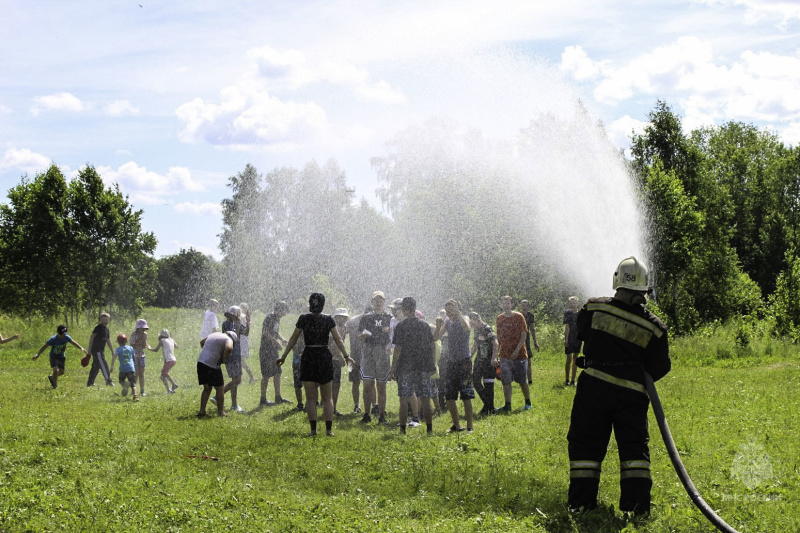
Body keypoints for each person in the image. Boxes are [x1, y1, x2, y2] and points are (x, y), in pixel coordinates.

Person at [567, 257, 670, 516]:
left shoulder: (593, 308)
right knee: (634, 451)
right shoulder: (655, 327)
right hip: (632, 396)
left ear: (617, 281)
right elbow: (660, 367)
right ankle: (637, 509)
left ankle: (581, 504)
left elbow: (580, 334)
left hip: (593, 390)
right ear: (644, 289)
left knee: (585, 447)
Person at [277, 293, 351, 437]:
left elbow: (293, 339)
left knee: (311, 398)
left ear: (310, 304)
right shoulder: (328, 319)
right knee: (327, 398)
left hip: (308, 355)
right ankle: (329, 431)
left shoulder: (303, 319)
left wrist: (284, 356)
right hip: (324, 356)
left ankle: (313, 430)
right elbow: (338, 339)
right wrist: (347, 356)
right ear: (323, 305)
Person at [391, 297, 436, 435]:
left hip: (405, 367)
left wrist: (393, 368)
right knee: (426, 399)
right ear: (415, 309)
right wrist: (432, 364)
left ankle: (403, 430)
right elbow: (432, 346)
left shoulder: (401, 326)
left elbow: (398, 349)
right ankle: (429, 429)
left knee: (404, 399)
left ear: (404, 310)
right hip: (423, 367)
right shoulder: (424, 325)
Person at [434, 299, 474, 433]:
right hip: (451, 362)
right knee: (449, 396)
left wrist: (458, 312)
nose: (449, 313)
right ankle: (457, 426)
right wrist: (438, 325)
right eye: (447, 311)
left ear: (457, 309)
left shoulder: (466, 318)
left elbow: (467, 328)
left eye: (451, 310)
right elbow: (436, 338)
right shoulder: (447, 321)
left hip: (464, 361)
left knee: (466, 395)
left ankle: (470, 426)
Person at [358, 291, 392, 424]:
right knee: (367, 383)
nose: (378, 302)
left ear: (384, 301)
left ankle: (382, 416)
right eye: (376, 299)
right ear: (372, 302)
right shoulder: (366, 317)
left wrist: (389, 340)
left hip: (382, 351)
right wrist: (363, 336)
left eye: (381, 299)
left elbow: (392, 337)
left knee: (381, 385)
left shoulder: (389, 317)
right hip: (368, 350)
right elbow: (359, 336)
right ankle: (367, 414)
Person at [494, 296, 532, 412]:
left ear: (512, 304)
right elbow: (499, 337)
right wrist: (496, 353)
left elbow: (523, 335)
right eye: (504, 303)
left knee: (522, 380)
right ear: (501, 305)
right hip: (504, 355)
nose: (506, 305)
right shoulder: (499, 318)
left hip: (519, 354)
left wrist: (516, 350)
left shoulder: (519, 317)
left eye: (508, 303)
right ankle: (507, 405)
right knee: (506, 381)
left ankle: (528, 402)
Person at [33, 325, 90, 389]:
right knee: (56, 371)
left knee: (62, 372)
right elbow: (45, 346)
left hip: (61, 356)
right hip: (53, 356)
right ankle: (55, 385)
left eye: (64, 334)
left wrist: (81, 348)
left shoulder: (66, 337)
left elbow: (73, 342)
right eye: (61, 334)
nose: (63, 335)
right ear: (58, 332)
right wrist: (38, 354)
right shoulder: (53, 339)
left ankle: (52, 377)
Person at [215, 306, 249, 413]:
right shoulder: (226, 324)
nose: (239, 317)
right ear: (232, 315)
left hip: (236, 355)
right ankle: (232, 404)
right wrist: (239, 324)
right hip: (230, 355)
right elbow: (235, 337)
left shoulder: (235, 323)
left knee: (237, 380)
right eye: (238, 315)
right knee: (236, 380)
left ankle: (220, 398)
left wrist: (248, 323)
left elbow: (246, 333)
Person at [196, 330, 237, 417]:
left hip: (201, 362)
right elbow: (229, 348)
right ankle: (221, 413)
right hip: (212, 364)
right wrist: (224, 357)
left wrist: (208, 352)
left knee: (207, 388)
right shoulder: (229, 340)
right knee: (220, 389)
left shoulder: (215, 334)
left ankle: (202, 411)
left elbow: (202, 342)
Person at [259, 301, 291, 406]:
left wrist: (282, 339)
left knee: (278, 372)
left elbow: (275, 332)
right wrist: (275, 341)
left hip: (273, 350)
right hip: (266, 350)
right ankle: (263, 400)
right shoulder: (269, 317)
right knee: (266, 375)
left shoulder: (277, 318)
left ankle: (278, 397)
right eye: (284, 312)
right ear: (279, 310)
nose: (284, 314)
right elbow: (265, 331)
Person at [468, 312, 499, 416]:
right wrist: (469, 357)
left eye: (472, 323)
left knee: (488, 385)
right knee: (475, 381)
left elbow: (495, 344)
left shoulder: (487, 328)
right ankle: (488, 405)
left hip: (489, 361)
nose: (472, 326)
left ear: (478, 319)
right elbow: (475, 345)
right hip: (479, 360)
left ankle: (489, 408)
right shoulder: (476, 330)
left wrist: (494, 358)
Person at [344, 305, 370, 413]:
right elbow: (341, 333)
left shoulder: (373, 321)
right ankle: (356, 405)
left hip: (368, 357)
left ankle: (373, 405)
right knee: (355, 382)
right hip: (353, 357)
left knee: (368, 383)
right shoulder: (353, 321)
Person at [329, 308, 350, 416]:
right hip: (330, 359)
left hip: (336, 359)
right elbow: (332, 344)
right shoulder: (333, 327)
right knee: (329, 384)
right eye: (339, 316)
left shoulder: (344, 327)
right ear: (336, 317)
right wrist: (340, 356)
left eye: (344, 317)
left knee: (336, 384)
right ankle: (328, 408)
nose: (342, 318)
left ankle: (333, 408)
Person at [86, 312, 114, 387]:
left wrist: (112, 351)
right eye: (103, 319)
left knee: (96, 366)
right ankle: (108, 381)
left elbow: (108, 341)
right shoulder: (98, 327)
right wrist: (89, 349)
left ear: (109, 320)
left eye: (107, 319)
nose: (105, 321)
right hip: (97, 350)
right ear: (101, 320)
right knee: (103, 365)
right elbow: (92, 337)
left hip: (101, 350)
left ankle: (90, 382)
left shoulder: (107, 330)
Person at [149, 328, 179, 394]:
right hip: (173, 360)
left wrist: (149, 348)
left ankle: (169, 390)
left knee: (162, 376)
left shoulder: (162, 340)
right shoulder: (171, 340)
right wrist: (171, 337)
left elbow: (156, 350)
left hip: (168, 360)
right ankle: (174, 384)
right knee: (165, 373)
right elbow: (177, 346)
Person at [110, 333, 139, 401]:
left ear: (118, 342)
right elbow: (134, 358)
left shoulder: (118, 349)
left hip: (123, 369)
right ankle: (135, 396)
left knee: (121, 380)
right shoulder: (130, 348)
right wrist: (135, 365)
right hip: (131, 368)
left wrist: (112, 366)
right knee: (133, 384)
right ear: (126, 341)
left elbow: (114, 356)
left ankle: (125, 385)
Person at [520, 299, 540, 385]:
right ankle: (520, 379)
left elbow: (532, 329)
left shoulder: (530, 315)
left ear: (529, 306)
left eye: (526, 304)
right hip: (518, 339)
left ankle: (530, 380)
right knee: (518, 360)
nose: (524, 306)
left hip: (526, 339)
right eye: (523, 304)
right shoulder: (518, 315)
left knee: (528, 360)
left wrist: (535, 342)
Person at [563, 296, 582, 386]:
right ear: (569, 304)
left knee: (575, 359)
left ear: (577, 303)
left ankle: (573, 380)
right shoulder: (567, 313)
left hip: (578, 338)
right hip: (570, 337)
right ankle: (567, 379)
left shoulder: (581, 313)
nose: (573, 304)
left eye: (574, 302)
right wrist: (566, 339)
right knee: (569, 359)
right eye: (571, 303)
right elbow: (567, 326)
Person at [130, 319, 150, 396]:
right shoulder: (133, 334)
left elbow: (144, 346)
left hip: (141, 355)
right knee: (136, 374)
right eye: (142, 328)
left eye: (145, 328)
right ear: (138, 328)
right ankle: (133, 391)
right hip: (134, 355)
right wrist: (141, 339)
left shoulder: (145, 334)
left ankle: (142, 391)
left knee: (141, 374)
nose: (143, 330)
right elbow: (133, 345)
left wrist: (144, 340)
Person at [239, 302, 257, 383]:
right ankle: (240, 379)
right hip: (241, 340)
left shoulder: (242, 317)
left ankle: (252, 377)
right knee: (239, 360)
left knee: (241, 360)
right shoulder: (243, 316)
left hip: (242, 340)